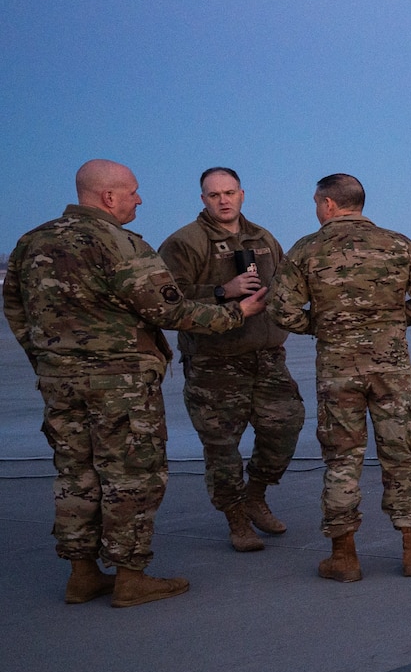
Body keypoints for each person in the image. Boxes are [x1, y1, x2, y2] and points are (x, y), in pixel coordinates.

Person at [4, 160, 257, 608]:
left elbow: (16, 310)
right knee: (130, 477)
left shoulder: (32, 241)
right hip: (119, 385)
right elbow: (170, 311)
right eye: (134, 192)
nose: (139, 200)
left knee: (75, 476)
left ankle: (81, 574)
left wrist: (49, 360)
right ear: (108, 197)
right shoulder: (119, 244)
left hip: (59, 382)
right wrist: (237, 313)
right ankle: (130, 575)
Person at [271, 173, 411, 581]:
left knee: (341, 460)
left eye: (317, 203)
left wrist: (326, 325)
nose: (317, 210)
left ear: (329, 205)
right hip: (391, 370)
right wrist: (392, 321)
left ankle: (344, 556)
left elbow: (281, 310)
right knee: (401, 457)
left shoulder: (307, 249)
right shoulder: (398, 244)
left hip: (337, 372)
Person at [160, 167, 306, 553]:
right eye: (214, 195)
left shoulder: (262, 237)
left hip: (267, 356)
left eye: (229, 193)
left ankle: (255, 494)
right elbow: (166, 303)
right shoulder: (184, 243)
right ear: (203, 199)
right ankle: (237, 518)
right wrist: (224, 290)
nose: (223, 200)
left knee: (285, 428)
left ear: (242, 194)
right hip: (215, 361)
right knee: (222, 447)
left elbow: (286, 282)